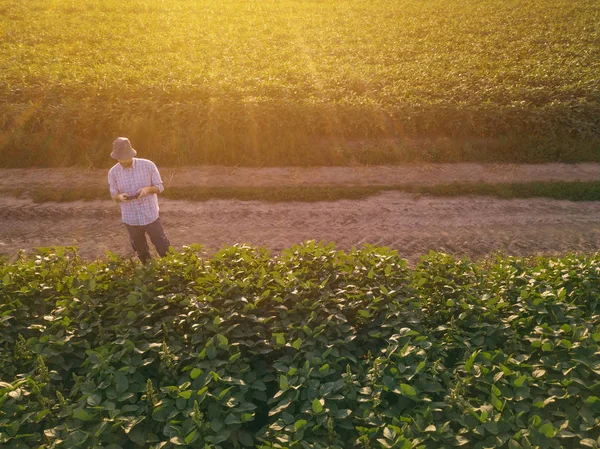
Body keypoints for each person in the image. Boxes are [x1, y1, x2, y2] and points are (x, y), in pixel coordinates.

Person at [108, 137, 171, 264]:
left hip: (150, 216)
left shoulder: (148, 165)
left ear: (131, 153)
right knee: (141, 250)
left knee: (162, 245)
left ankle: (171, 267)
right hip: (130, 219)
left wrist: (147, 190)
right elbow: (114, 195)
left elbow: (160, 187)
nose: (123, 160)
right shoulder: (113, 172)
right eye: (120, 158)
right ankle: (150, 271)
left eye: (125, 157)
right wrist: (119, 197)